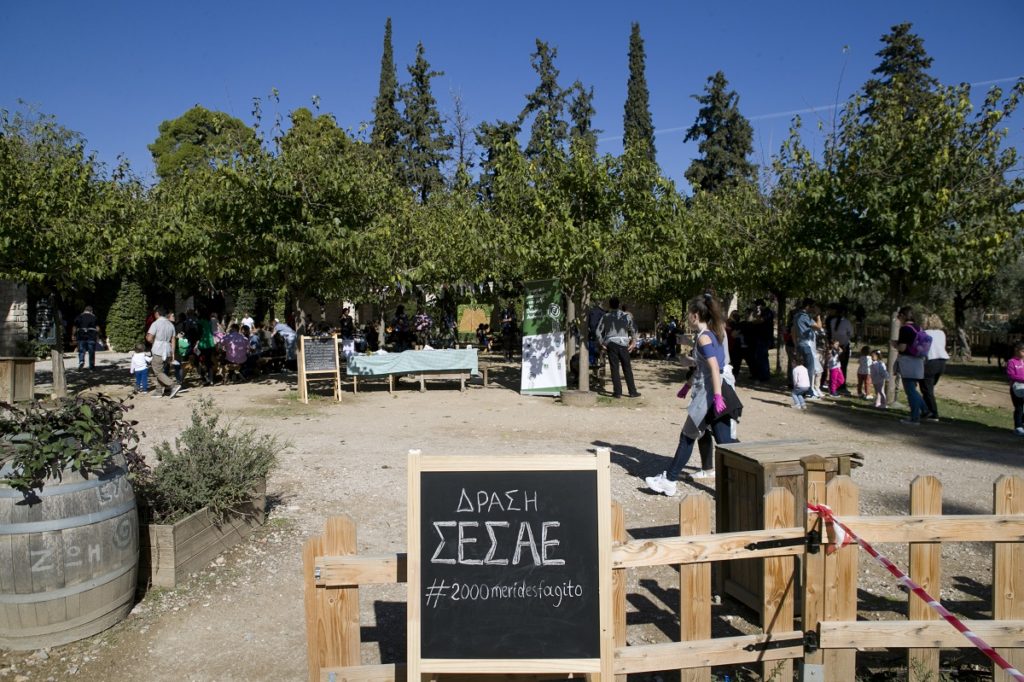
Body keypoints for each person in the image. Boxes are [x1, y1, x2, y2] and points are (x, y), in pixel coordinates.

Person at [645, 293, 742, 494]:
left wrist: (716, 396)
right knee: (726, 444)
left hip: (709, 396)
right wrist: (687, 385)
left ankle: (669, 480)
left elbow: (714, 368)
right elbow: (704, 367)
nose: (687, 317)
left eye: (689, 313)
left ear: (696, 315)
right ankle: (743, 484)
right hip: (717, 392)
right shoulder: (713, 333)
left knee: (688, 436)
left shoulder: (704, 337)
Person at [597, 296, 640, 399]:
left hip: (611, 343)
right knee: (627, 368)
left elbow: (598, 331)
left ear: (609, 305)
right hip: (624, 344)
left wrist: (601, 342)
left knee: (614, 368)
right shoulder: (626, 316)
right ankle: (632, 392)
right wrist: (633, 342)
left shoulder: (605, 316)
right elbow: (634, 329)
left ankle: (617, 392)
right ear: (619, 304)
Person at [894, 306, 927, 425]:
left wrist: (894, 344)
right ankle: (925, 410)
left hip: (908, 362)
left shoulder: (905, 329)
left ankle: (915, 417)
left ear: (903, 316)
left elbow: (902, 348)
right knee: (913, 389)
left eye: (899, 316)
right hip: (919, 361)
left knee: (910, 391)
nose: (898, 319)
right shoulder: (919, 328)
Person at [145, 306, 181, 398]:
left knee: (157, 371)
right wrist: (172, 354)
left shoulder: (156, 323)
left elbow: (149, 338)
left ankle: (172, 385)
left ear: (157, 313)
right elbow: (173, 340)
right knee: (161, 371)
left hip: (158, 349)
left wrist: (153, 342)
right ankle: (158, 391)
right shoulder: (170, 324)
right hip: (168, 349)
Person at [920, 314, 949, 422]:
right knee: (929, 387)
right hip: (941, 362)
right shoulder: (941, 333)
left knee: (926, 389)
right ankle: (925, 410)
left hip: (930, 361)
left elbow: (922, 349)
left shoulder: (925, 333)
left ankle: (933, 413)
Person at [792, 299, 822, 395]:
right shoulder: (804, 316)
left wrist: (795, 344)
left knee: (803, 367)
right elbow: (819, 327)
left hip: (800, 343)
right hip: (806, 344)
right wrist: (818, 316)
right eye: (813, 307)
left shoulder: (797, 315)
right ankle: (808, 391)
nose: (814, 309)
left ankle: (802, 388)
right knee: (810, 368)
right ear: (808, 306)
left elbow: (793, 330)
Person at [829, 306, 854, 394]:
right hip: (843, 346)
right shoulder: (846, 322)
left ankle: (833, 384)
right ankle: (841, 386)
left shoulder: (832, 321)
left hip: (834, 345)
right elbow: (851, 334)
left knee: (834, 366)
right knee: (842, 367)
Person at [72, 305, 100, 370]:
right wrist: (98, 335)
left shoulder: (79, 317)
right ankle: (91, 366)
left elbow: (74, 327)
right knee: (91, 351)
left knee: (81, 350)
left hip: (81, 336)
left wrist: (73, 335)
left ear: (84, 310)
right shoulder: (94, 317)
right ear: (91, 311)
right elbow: (98, 328)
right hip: (91, 336)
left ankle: (81, 361)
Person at [1006, 341, 1024, 436]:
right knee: (1019, 407)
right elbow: (1011, 375)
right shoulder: (1011, 362)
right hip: (1016, 388)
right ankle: (1018, 427)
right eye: (1023, 351)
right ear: (1016, 350)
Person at [586, 302, 605, 368]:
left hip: (592, 332)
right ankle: (601, 361)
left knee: (592, 347)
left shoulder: (591, 311)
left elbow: (588, 322)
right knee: (601, 347)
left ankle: (592, 362)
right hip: (600, 333)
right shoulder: (602, 312)